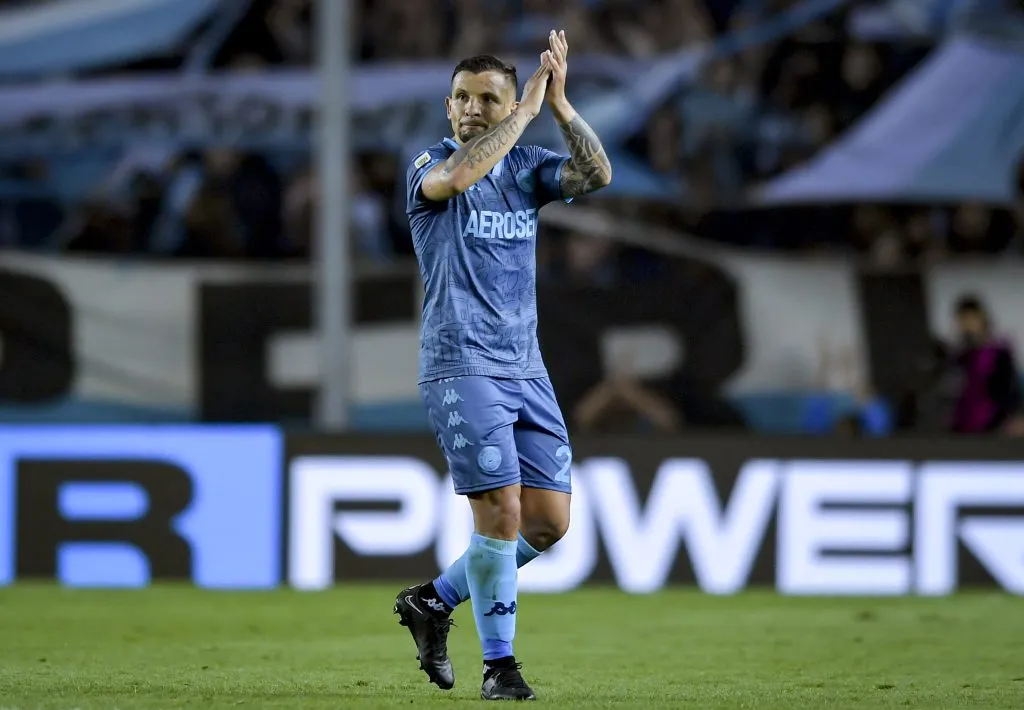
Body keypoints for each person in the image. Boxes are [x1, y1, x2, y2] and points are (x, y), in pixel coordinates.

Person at [393, 31, 612, 702]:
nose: (470, 108)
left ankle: (434, 600)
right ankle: (501, 668)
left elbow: (597, 175)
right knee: (501, 516)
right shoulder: (430, 165)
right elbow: (462, 174)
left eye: (487, 98)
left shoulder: (528, 171)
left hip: (526, 369)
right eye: (461, 97)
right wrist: (523, 110)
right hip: (461, 366)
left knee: (550, 523)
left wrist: (563, 107)